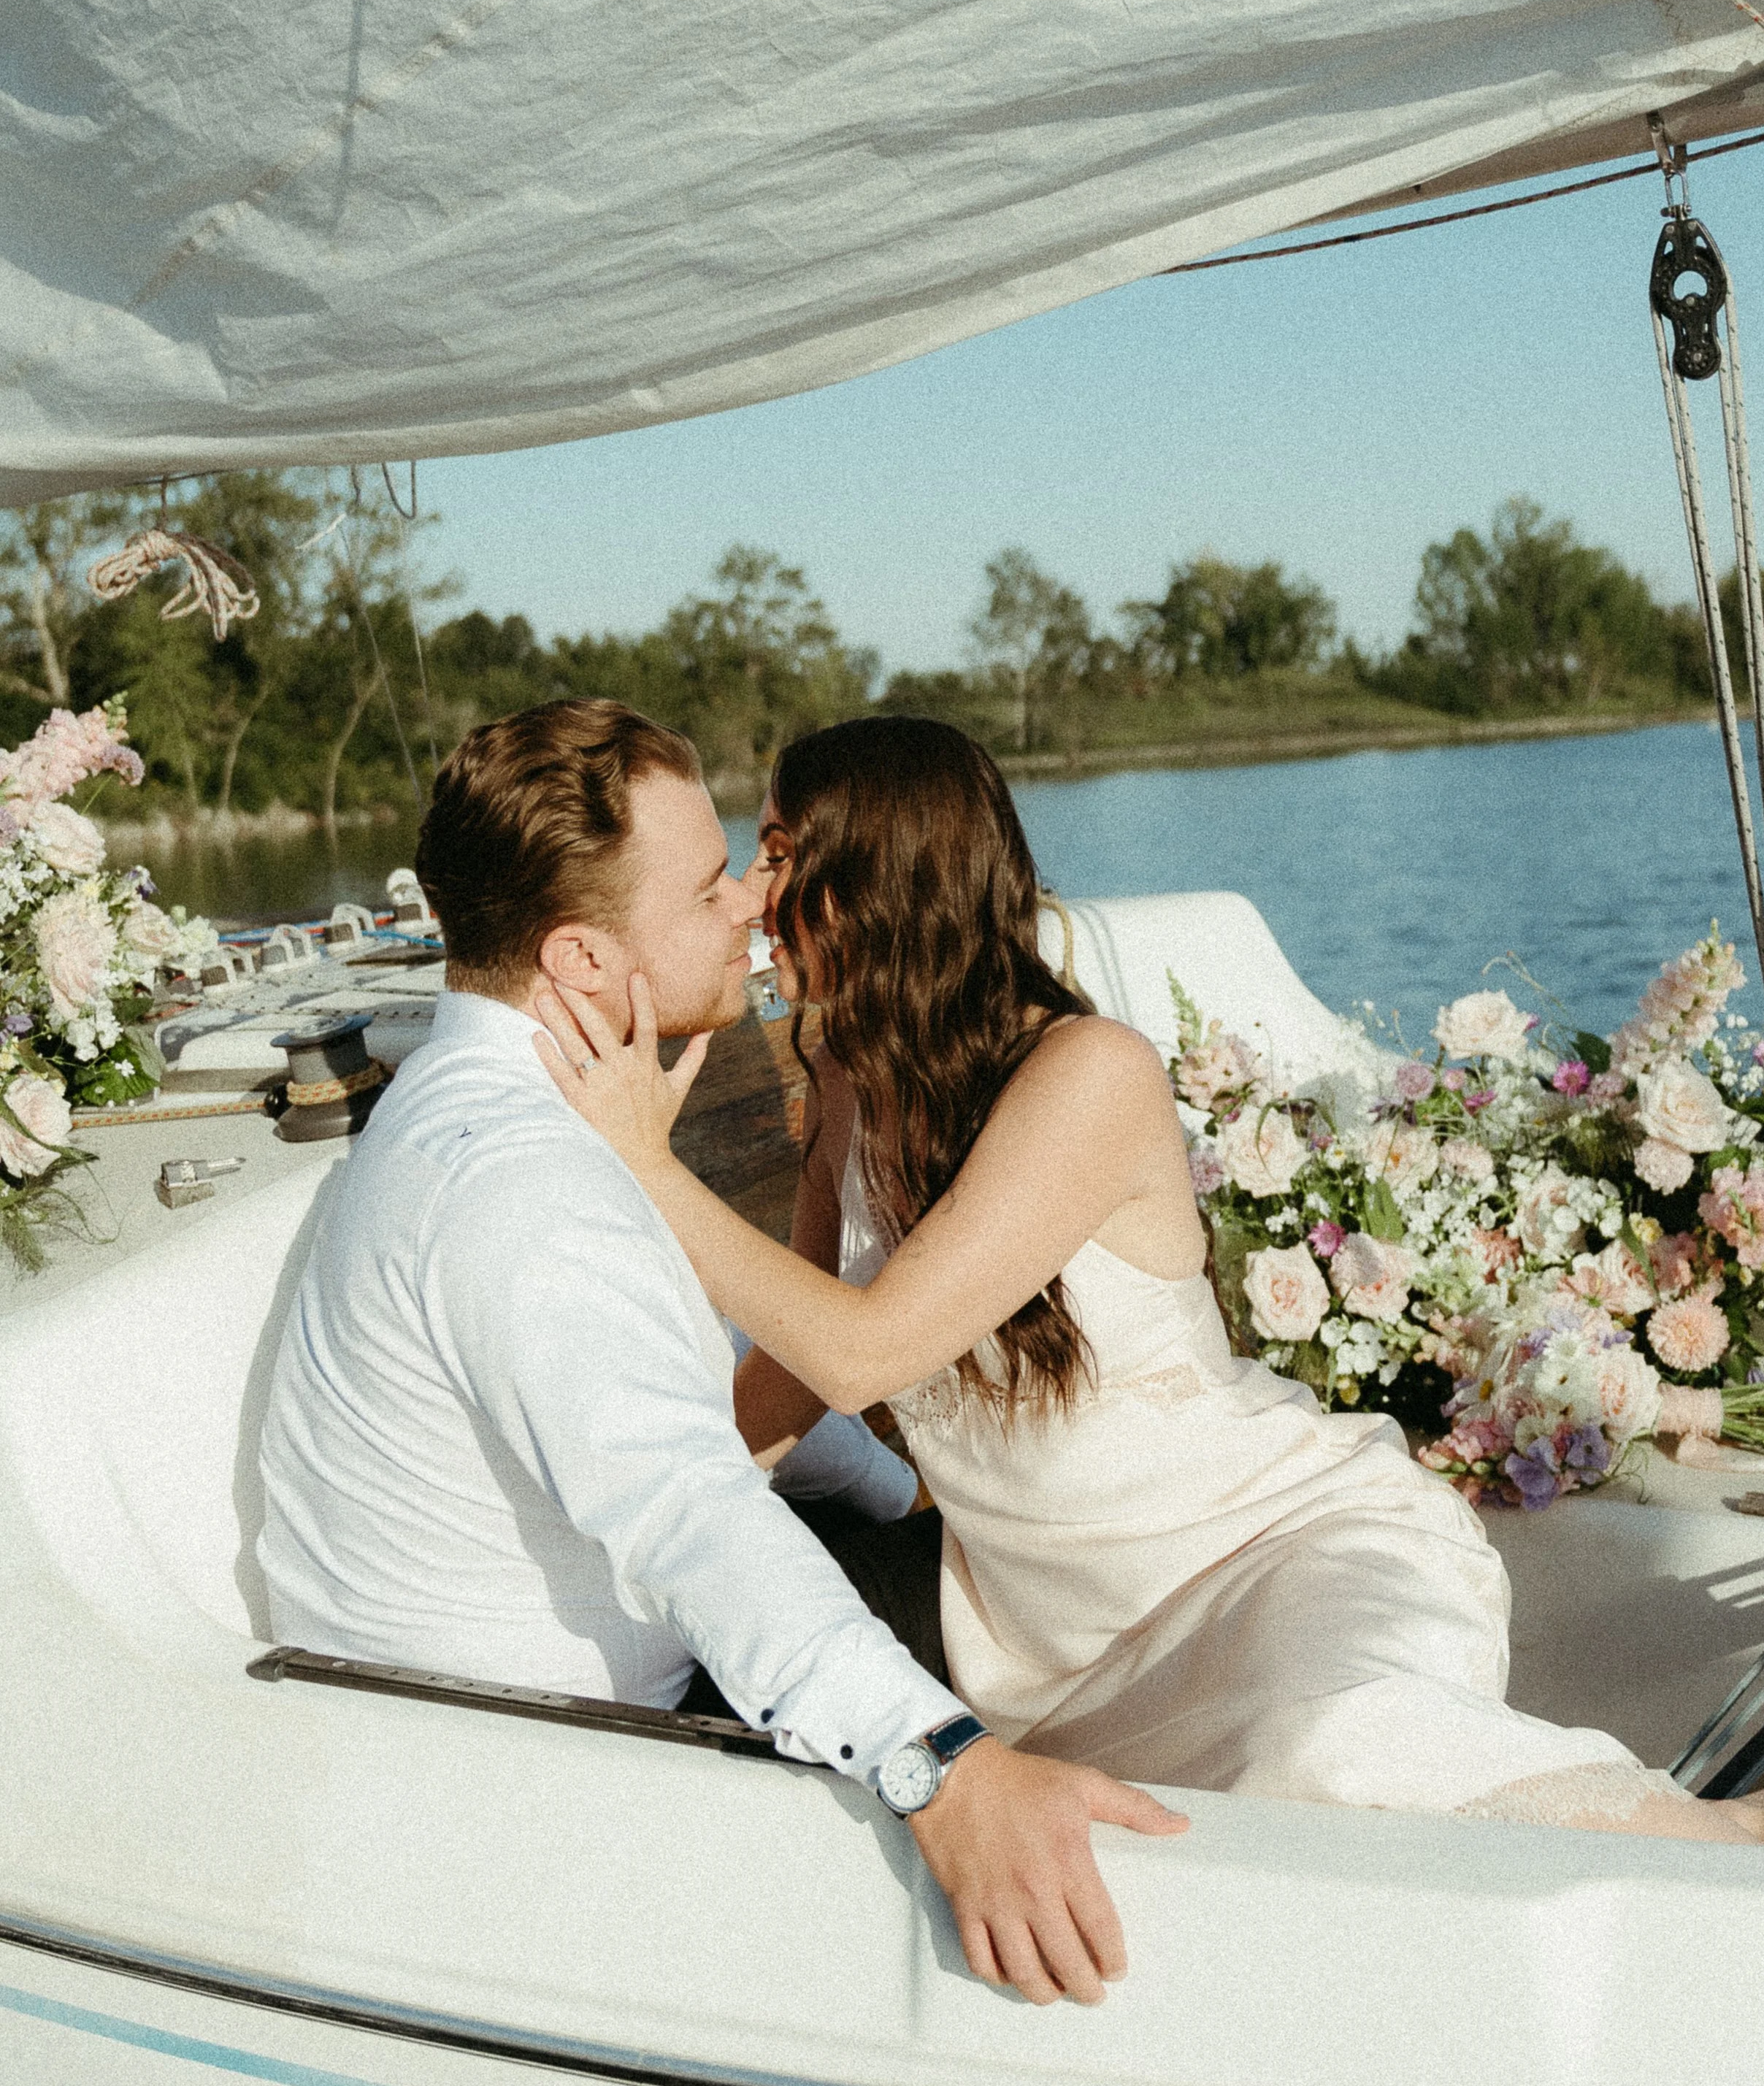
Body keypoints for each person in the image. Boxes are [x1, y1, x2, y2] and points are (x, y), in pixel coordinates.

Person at [536, 715, 1764, 1853]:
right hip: (1061, 1656)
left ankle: (1745, 1839)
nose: (756, 894)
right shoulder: (852, 1083)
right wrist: (628, 1528)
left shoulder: (1089, 1074)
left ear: (880, 877)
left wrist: (646, 1161)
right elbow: (803, 1372)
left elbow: (869, 1349)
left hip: (1276, 1555)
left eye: (778, 852)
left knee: (1336, 1745)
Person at [258, 699, 1187, 2011]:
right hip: (521, 1766)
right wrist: (944, 1772)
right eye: (708, 888)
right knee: (1081, 1669)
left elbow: (703, 1407)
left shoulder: (499, 1092)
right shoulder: (519, 1189)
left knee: (1046, 1589)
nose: (754, 901)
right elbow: (686, 1511)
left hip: (591, 1672)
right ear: (584, 960)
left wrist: (892, 1502)